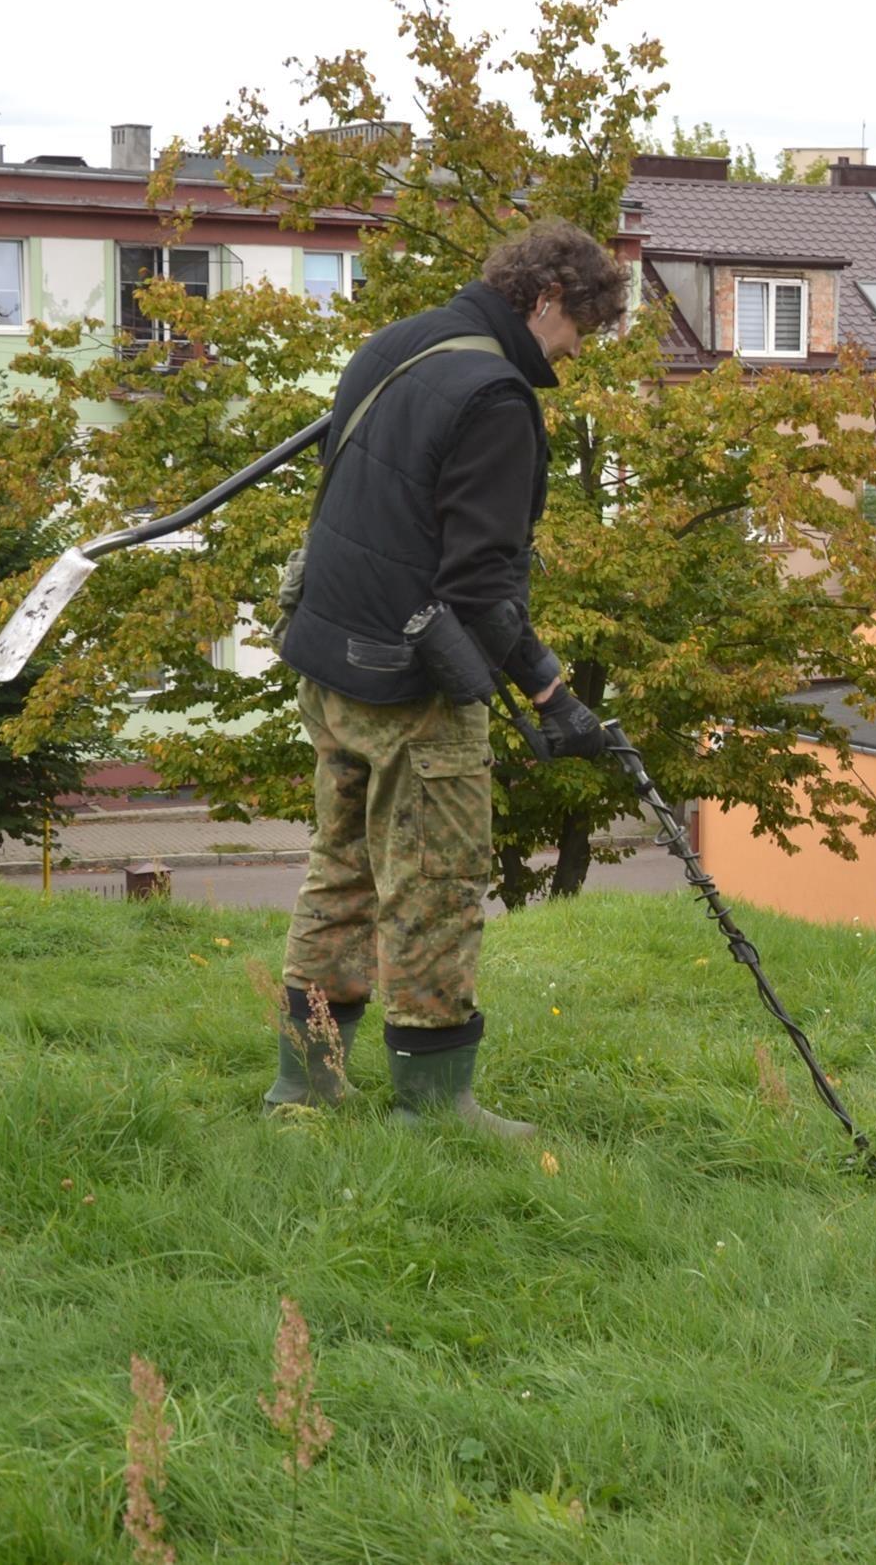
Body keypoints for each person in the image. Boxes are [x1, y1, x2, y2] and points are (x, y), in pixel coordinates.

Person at [264, 220, 630, 1135]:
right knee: (435, 883)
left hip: (328, 656)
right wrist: (552, 692)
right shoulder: (498, 398)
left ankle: (304, 1088)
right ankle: (436, 1104)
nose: (577, 351)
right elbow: (481, 586)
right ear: (546, 300)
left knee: (339, 871)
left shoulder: (394, 343)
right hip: (408, 689)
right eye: (580, 327)